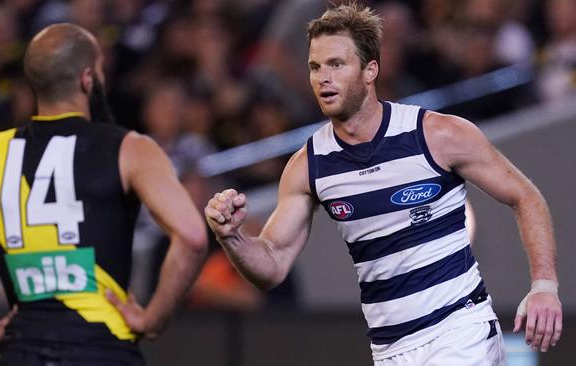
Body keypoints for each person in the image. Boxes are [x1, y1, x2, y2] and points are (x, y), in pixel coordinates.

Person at [205, 4, 562, 365]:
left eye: (336, 64)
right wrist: (231, 237)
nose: (322, 78)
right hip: (390, 350)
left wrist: (544, 285)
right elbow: (273, 264)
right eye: (315, 67)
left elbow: (525, 195)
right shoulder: (308, 166)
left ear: (370, 70)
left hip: (460, 332)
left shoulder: (437, 134)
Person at [0, 23, 208, 365]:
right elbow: (192, 237)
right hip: (103, 350)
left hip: (22, 353)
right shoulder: (129, 149)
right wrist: (152, 319)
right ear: (88, 79)